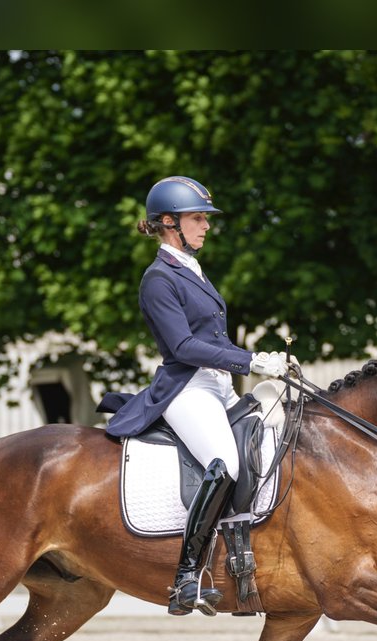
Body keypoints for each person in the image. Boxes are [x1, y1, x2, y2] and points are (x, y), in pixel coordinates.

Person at [104, 176, 287, 615]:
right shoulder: (158, 279)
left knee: (282, 430)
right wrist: (251, 362)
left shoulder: (191, 269)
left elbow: (215, 338)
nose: (206, 226)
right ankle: (186, 576)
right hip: (187, 388)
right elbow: (183, 347)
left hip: (219, 386)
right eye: (198, 218)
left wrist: (265, 362)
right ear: (170, 223)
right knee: (225, 463)